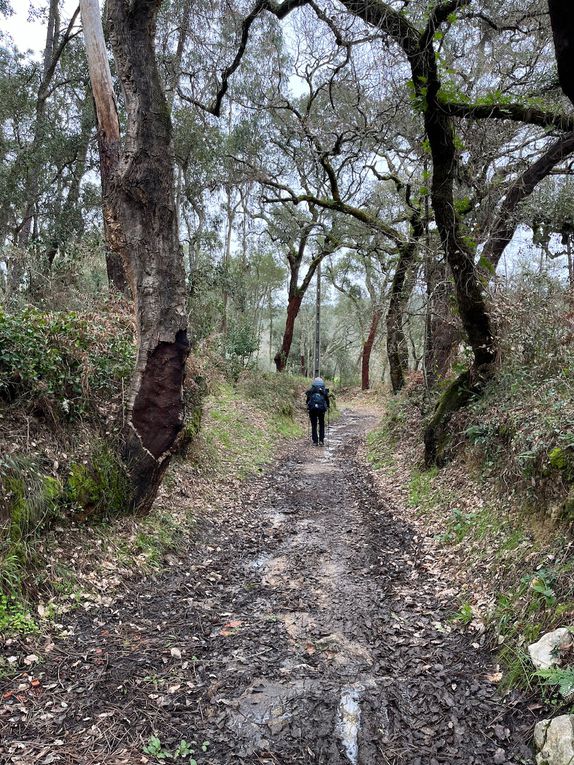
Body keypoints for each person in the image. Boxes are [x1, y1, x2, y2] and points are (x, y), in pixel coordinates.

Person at [305, 376, 330, 446]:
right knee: (321, 424)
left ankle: (315, 441)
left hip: (312, 410)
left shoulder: (311, 390)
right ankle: (321, 441)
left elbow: (307, 401)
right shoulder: (324, 391)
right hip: (321, 410)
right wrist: (328, 406)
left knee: (314, 425)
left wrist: (308, 406)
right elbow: (327, 400)